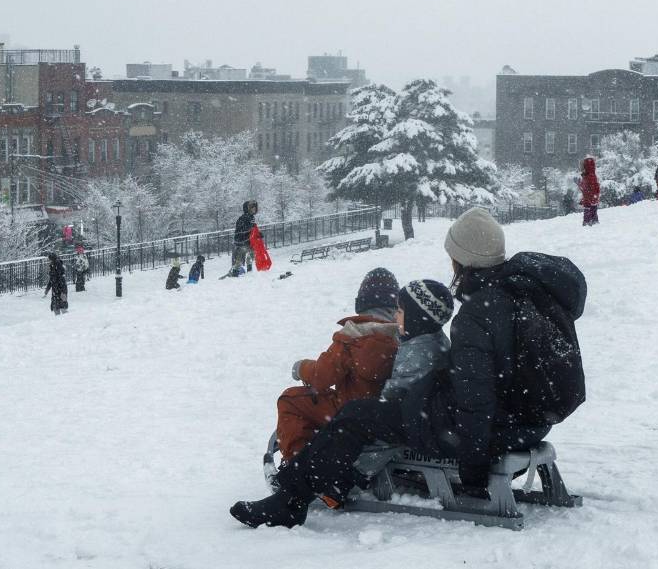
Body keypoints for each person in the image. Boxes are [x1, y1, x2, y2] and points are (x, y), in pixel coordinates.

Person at [232, 208, 587, 529]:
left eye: (452, 257)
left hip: (490, 429)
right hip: (531, 423)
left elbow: (476, 400)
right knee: (386, 404)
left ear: (463, 260)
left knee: (356, 415)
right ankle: (319, 481)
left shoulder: (479, 313)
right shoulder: (524, 294)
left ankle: (292, 499)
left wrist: (474, 472)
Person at [235, 278, 453, 528]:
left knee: (335, 418)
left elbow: (384, 409)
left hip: (397, 432)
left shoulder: (412, 351)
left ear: (417, 317)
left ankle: (296, 487)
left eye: (402, 311)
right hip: (412, 421)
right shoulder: (426, 341)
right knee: (350, 418)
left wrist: (354, 468)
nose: (396, 315)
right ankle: (298, 487)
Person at [275, 268, 400, 462]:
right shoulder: (400, 336)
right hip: (384, 414)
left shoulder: (353, 336)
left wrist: (300, 368)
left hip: (349, 411)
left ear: (362, 302)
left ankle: (297, 463)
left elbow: (321, 377)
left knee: (290, 400)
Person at [231, 201, 258, 276]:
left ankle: (249, 271)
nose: (254, 209)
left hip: (248, 240)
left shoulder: (251, 217)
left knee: (251, 254)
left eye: (255, 207)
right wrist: (250, 228)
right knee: (239, 259)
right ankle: (235, 273)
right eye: (252, 208)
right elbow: (241, 230)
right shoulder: (243, 218)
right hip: (241, 241)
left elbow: (253, 228)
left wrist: (258, 234)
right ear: (247, 209)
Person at [577, 157, 600, 226]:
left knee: (589, 212)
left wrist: (579, 184)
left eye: (581, 167)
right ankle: (593, 221)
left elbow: (586, 189)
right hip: (592, 200)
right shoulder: (592, 175)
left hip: (589, 201)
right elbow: (595, 188)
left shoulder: (588, 176)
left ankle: (588, 222)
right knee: (593, 211)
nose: (580, 169)